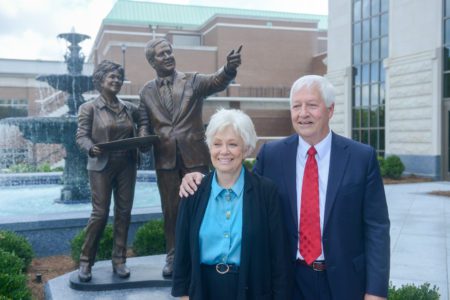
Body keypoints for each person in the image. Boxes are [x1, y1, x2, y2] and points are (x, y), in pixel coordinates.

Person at [180, 75, 390, 300]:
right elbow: (241, 186)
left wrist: (375, 291)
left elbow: (376, 228)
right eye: (296, 106)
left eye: (311, 105)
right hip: (289, 281)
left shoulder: (361, 157)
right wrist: (199, 179)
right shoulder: (272, 155)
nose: (303, 113)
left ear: (330, 110)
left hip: (345, 282)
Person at [138, 38, 242, 277]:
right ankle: (173, 256)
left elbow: (217, 81)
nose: (168, 56)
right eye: (162, 54)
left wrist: (229, 69)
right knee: (171, 210)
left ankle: (207, 252)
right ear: (152, 61)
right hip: (165, 160)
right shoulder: (146, 91)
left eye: (169, 52)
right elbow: (144, 124)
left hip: (194, 156)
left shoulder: (193, 81)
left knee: (204, 207)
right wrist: (142, 140)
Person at [171, 108, 288, 300]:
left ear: (247, 149)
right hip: (203, 290)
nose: (223, 152)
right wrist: (184, 296)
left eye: (232, 144)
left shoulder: (266, 192)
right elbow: (182, 251)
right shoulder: (193, 191)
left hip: (251, 289)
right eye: (217, 144)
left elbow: (279, 258)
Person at [76, 60, 141, 282]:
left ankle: (119, 260)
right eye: (111, 77)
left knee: (124, 213)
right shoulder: (89, 108)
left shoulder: (129, 107)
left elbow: (144, 119)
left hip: (127, 164)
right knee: (100, 213)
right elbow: (81, 136)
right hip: (101, 164)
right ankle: (85, 261)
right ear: (100, 80)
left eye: (119, 77)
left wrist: (143, 135)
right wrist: (90, 148)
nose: (116, 80)